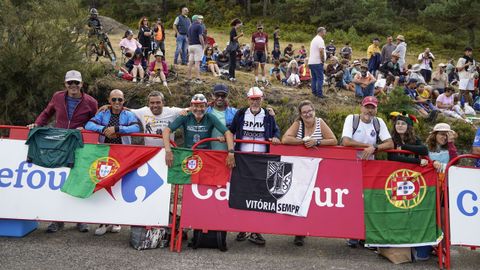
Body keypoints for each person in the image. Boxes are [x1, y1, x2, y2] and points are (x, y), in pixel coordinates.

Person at [27, 70, 97, 234]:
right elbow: (47, 113)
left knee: (79, 178)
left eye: (76, 83)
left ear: (81, 84)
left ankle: (81, 220)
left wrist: (86, 128)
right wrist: (37, 124)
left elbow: (96, 120)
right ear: (65, 84)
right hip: (59, 142)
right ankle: (57, 220)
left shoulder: (91, 101)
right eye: (70, 83)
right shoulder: (58, 96)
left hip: (80, 143)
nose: (73, 86)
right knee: (59, 180)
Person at [230, 87, 281, 246]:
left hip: (261, 159)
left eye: (257, 98)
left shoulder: (268, 114)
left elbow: (276, 131)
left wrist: (276, 137)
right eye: (252, 98)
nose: (255, 101)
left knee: (259, 195)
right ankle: (242, 228)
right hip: (243, 158)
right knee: (242, 194)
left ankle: (256, 229)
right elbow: (231, 131)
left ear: (262, 99)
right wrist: (231, 152)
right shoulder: (240, 113)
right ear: (247, 100)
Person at [281, 100, 337, 246]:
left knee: (314, 198)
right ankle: (299, 232)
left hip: (318, 166)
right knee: (299, 197)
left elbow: (333, 140)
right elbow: (285, 139)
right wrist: (304, 141)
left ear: (314, 111)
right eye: (304, 112)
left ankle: (313, 228)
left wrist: (316, 142)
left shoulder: (320, 122)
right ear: (300, 114)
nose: (307, 114)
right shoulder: (298, 124)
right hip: (300, 166)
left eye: (309, 110)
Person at [85, 89, 140, 236]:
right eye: (114, 100)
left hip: (122, 154)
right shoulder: (103, 113)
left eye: (120, 100)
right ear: (109, 100)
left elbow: (136, 127)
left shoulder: (128, 114)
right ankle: (103, 222)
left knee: (118, 188)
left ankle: (116, 221)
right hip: (104, 154)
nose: (117, 103)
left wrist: (117, 129)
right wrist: (104, 129)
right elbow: (88, 125)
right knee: (104, 186)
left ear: (123, 101)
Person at [162, 93, 235, 166]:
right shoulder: (185, 116)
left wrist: (231, 153)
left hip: (206, 155)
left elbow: (227, 133)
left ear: (206, 106)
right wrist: (168, 151)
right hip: (188, 154)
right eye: (196, 106)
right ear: (191, 106)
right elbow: (166, 130)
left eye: (202, 106)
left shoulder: (210, 117)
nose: (199, 109)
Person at [341, 96, 393, 161]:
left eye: (373, 108)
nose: (370, 110)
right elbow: (346, 142)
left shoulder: (379, 122)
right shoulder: (351, 118)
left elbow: (390, 144)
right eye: (367, 107)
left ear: (376, 109)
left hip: (369, 164)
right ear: (361, 108)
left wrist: (375, 147)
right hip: (351, 162)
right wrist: (369, 146)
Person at [205, 84, 238, 150]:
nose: (220, 98)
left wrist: (229, 137)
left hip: (227, 153)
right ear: (212, 95)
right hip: (208, 152)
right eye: (217, 95)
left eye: (223, 96)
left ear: (227, 96)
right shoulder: (205, 111)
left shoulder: (234, 112)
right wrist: (186, 109)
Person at [308, 27, 327, 98]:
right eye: (325, 32)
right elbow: (321, 51)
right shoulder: (320, 40)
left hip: (311, 62)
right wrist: (322, 60)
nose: (325, 33)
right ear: (321, 32)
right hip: (317, 61)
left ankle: (314, 92)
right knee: (320, 78)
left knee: (314, 78)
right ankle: (319, 94)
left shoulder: (314, 39)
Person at [187, 15, 205, 84]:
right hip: (197, 46)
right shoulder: (199, 26)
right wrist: (203, 45)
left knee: (190, 63)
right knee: (197, 63)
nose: (200, 20)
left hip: (190, 46)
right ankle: (198, 78)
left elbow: (188, 38)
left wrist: (189, 45)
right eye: (199, 19)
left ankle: (189, 77)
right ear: (196, 19)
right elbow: (200, 37)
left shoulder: (190, 27)